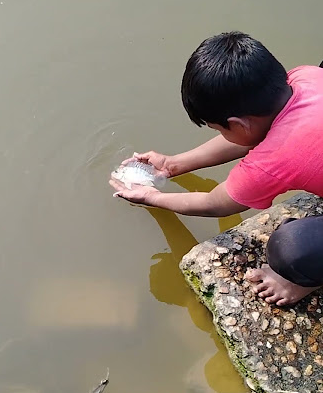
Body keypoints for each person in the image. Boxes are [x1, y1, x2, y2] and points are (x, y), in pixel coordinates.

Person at [109, 31, 323, 307]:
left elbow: (215, 203)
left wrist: (151, 197)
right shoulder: (304, 78)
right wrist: (174, 164)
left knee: (291, 250)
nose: (218, 133)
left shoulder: (276, 160)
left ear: (238, 124)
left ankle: (303, 280)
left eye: (216, 128)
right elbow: (255, 136)